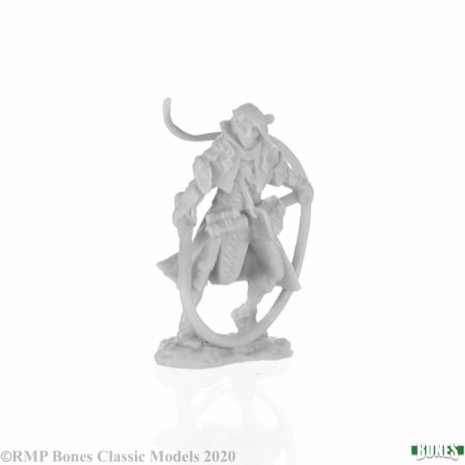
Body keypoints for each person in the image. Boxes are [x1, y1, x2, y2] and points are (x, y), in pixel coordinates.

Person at [158, 103, 313, 347]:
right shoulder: (223, 150)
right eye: (242, 127)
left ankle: (246, 314)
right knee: (200, 272)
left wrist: (303, 188)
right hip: (221, 221)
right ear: (235, 126)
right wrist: (185, 207)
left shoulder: (267, 154)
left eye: (253, 129)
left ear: (260, 132)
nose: (247, 134)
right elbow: (199, 184)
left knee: (275, 271)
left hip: (254, 223)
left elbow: (289, 177)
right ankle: (186, 329)